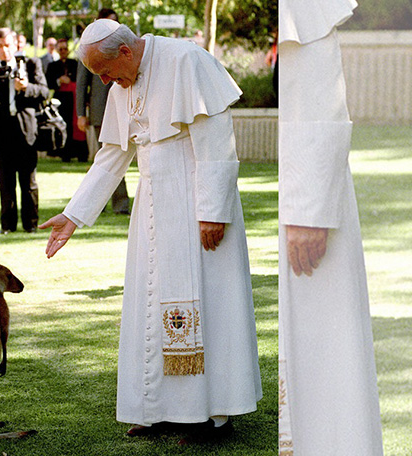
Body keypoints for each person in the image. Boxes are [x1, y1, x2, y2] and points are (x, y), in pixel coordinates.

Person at [40, 20, 262, 442]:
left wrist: (212, 211)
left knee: (204, 302)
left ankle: (211, 416)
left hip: (195, 201)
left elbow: (217, 140)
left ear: (125, 52)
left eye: (104, 72)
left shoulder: (186, 61)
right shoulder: (124, 83)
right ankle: (160, 408)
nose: (104, 82)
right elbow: (113, 155)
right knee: (149, 306)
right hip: (154, 207)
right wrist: (73, 215)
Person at [278, 1, 383, 454]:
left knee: (321, 358)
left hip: (305, 199)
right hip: (293, 189)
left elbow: (319, 89)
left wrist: (309, 209)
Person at [0, 28, 48, 234]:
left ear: (15, 45)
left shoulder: (31, 64)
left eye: (7, 45)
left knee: (29, 181)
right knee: (5, 181)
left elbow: (44, 92)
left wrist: (26, 87)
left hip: (25, 130)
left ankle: (31, 224)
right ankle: (7, 225)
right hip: (1, 132)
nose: (4, 50)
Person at [76, 8, 130, 214]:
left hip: (124, 109)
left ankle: (120, 205)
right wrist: (81, 113)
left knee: (119, 158)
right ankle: (102, 203)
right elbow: (82, 83)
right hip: (101, 111)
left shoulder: (124, 48)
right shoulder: (89, 48)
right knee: (105, 159)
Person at [45, 38, 86, 162]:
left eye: (65, 49)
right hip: (61, 100)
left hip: (74, 99)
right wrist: (59, 80)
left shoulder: (75, 63)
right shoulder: (52, 66)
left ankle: (80, 155)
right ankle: (65, 154)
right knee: (63, 125)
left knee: (76, 127)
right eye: (60, 49)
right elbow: (48, 83)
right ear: (57, 50)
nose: (63, 51)